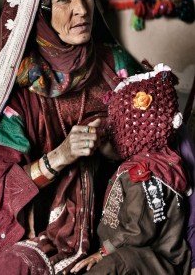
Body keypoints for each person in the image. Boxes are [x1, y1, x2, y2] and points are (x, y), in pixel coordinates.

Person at [0, 0, 143, 275]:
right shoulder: (19, 89)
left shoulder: (115, 67)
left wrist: (115, 147)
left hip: (117, 221)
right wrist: (60, 156)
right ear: (39, 12)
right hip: (40, 230)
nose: (81, 9)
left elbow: (161, 143)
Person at [70, 64, 192, 275]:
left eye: (113, 128)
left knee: (111, 266)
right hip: (148, 257)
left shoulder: (142, 173)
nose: (109, 134)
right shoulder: (164, 162)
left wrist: (103, 252)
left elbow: (138, 229)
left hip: (154, 261)